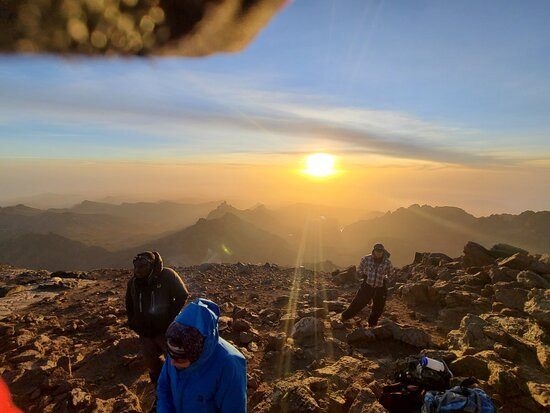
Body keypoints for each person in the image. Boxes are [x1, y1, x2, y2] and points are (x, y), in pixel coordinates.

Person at [157, 298, 247, 413]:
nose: (171, 363)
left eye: (180, 360)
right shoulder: (177, 348)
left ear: (196, 354)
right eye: (171, 357)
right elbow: (164, 386)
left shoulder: (229, 365)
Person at [125, 251, 189, 384]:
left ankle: (180, 390)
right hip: (145, 334)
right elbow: (129, 304)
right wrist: (133, 322)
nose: (139, 270)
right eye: (137, 266)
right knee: (152, 365)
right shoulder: (133, 283)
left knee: (177, 363)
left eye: (143, 266)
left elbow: (182, 294)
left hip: (165, 331)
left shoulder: (167, 275)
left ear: (152, 265)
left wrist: (170, 316)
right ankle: (159, 390)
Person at [341, 243, 393, 327]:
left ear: (383, 252)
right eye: (377, 250)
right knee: (358, 302)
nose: (379, 252)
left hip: (380, 287)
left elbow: (391, 274)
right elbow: (359, 269)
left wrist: (386, 280)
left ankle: (372, 324)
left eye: (380, 251)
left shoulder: (387, 263)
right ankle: (345, 317)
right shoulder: (366, 259)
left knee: (378, 307)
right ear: (374, 250)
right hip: (367, 284)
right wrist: (364, 275)